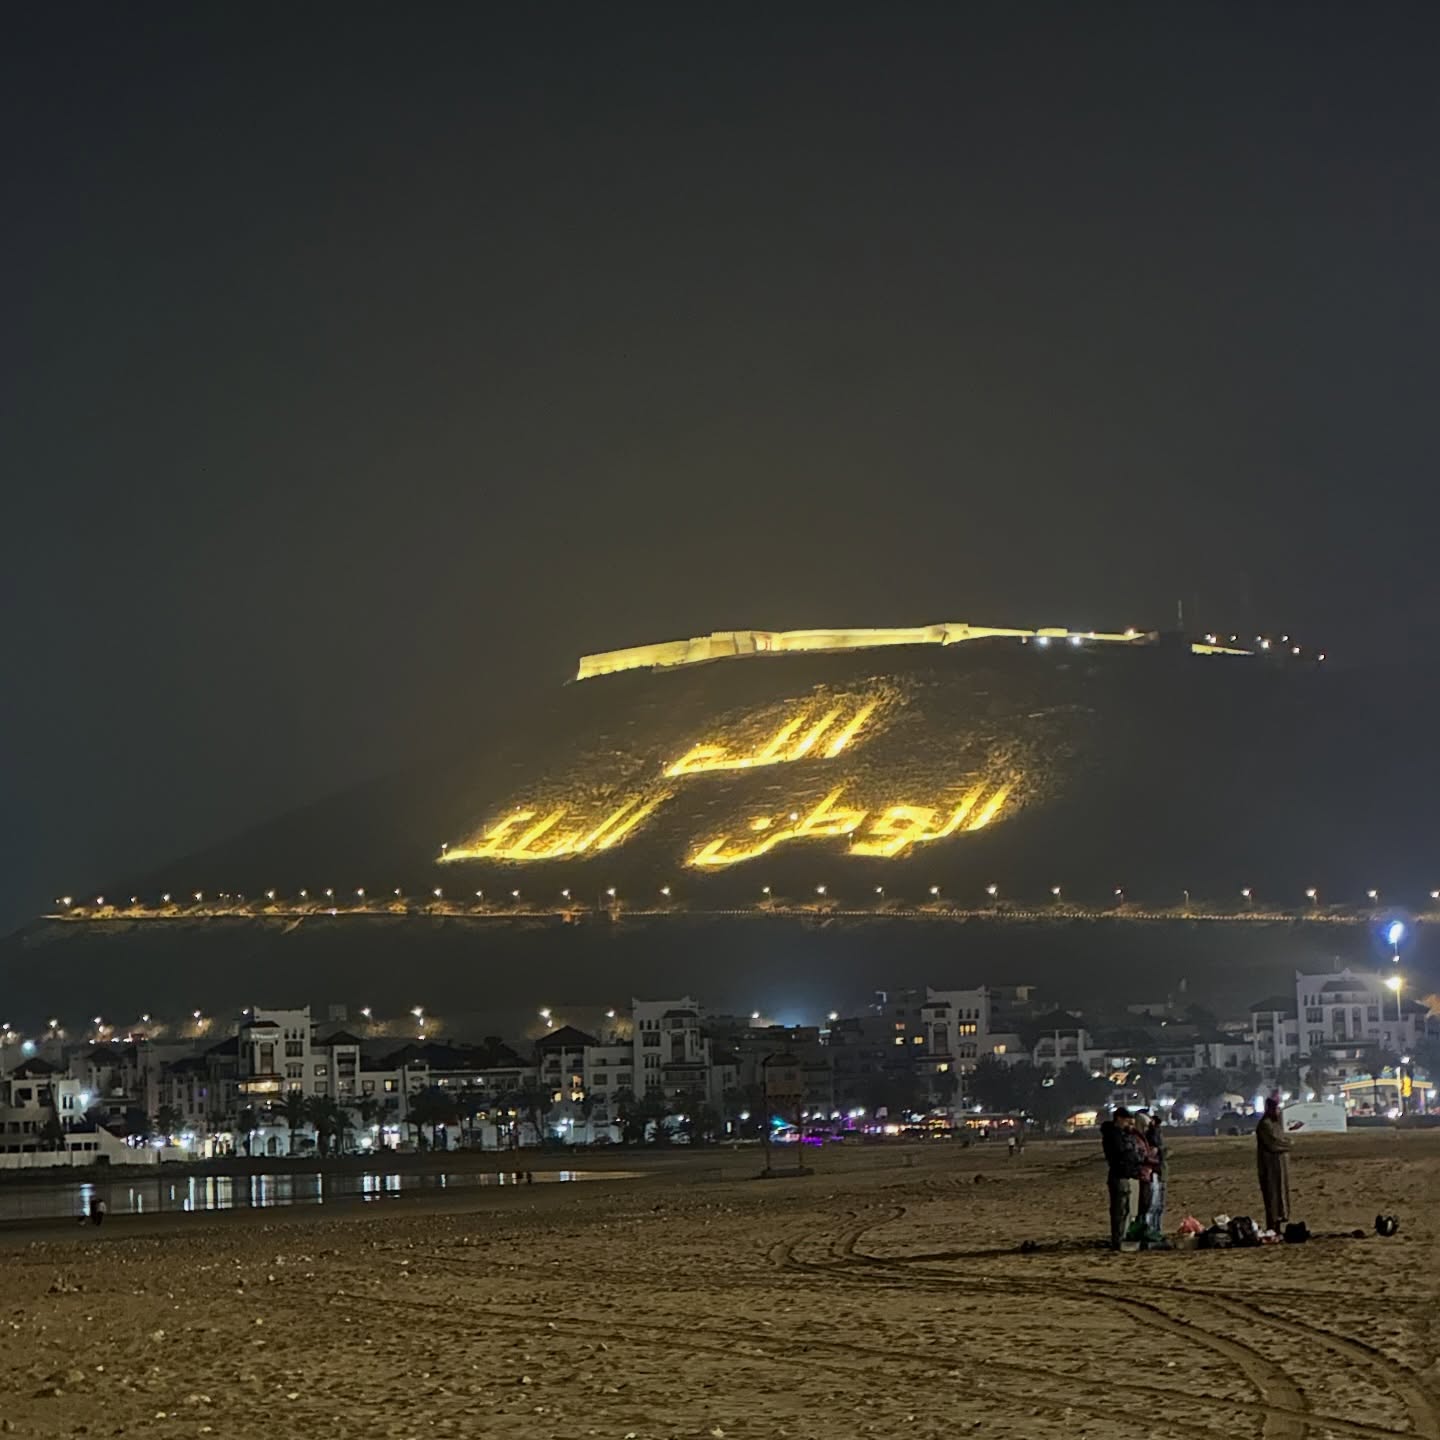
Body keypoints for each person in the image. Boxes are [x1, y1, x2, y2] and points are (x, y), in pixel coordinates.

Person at [1100, 1107, 1142, 1250]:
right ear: (1118, 1119)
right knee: (1119, 1210)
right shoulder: (1113, 1135)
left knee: (1125, 1210)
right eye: (1126, 1120)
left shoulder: (1120, 1134)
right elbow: (1122, 1154)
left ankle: (1121, 1238)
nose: (1128, 1124)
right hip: (1119, 1175)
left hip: (1125, 1174)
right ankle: (1118, 1240)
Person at [1256, 1095, 1292, 1232]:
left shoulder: (1275, 1124)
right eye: (1276, 1109)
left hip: (1280, 1167)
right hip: (1269, 1167)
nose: (1278, 1112)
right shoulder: (1265, 1125)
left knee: (1280, 1195)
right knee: (1272, 1196)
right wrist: (1288, 1145)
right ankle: (1272, 1225)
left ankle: (1278, 1224)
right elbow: (1273, 1144)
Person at [1140, 1112, 1166, 1237]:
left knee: (1155, 1206)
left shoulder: (1151, 1133)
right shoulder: (1149, 1135)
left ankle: (1154, 1231)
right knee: (1152, 1206)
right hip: (1151, 1173)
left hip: (1155, 1172)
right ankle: (1151, 1232)